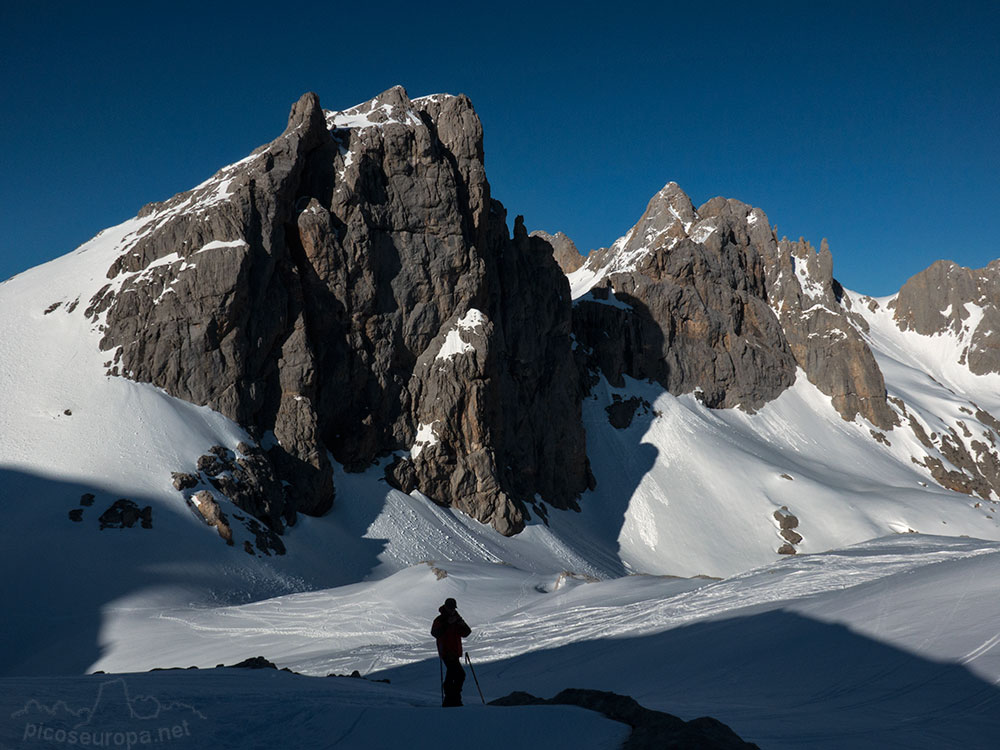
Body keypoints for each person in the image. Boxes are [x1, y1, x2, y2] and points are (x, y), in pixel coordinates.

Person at [431, 597, 472, 707]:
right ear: (445, 607)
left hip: (454, 652)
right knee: (459, 674)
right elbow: (435, 633)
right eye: (450, 608)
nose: (452, 610)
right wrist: (448, 624)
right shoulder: (440, 620)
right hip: (446, 651)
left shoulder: (456, 618)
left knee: (453, 675)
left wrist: (461, 624)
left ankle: (451, 699)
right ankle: (454, 699)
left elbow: (467, 632)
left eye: (453, 608)